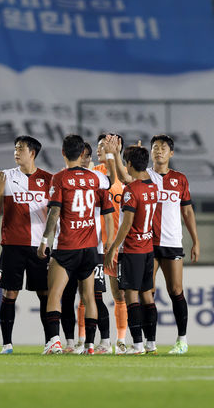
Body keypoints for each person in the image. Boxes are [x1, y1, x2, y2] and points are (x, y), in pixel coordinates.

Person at [105, 134, 200, 355]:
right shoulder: (148, 177)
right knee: (147, 293)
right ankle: (148, 342)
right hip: (148, 243)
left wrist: (195, 240)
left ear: (171, 153)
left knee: (175, 290)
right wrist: (120, 156)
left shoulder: (180, 179)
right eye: (155, 147)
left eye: (163, 147)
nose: (159, 151)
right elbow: (125, 175)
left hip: (172, 241)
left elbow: (187, 211)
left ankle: (181, 339)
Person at [37, 134, 110, 355]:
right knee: (89, 297)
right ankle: (89, 344)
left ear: (62, 152)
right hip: (90, 248)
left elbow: (55, 211)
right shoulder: (96, 178)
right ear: (82, 154)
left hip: (67, 246)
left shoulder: (59, 178)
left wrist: (44, 240)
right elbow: (112, 181)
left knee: (55, 295)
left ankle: (54, 342)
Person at [0, 136, 52, 354]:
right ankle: (7, 344)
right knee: (9, 294)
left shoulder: (49, 180)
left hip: (39, 247)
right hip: (12, 245)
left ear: (32, 153)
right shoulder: (3, 177)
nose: (16, 152)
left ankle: (50, 343)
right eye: (15, 148)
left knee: (45, 294)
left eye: (21, 149)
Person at [104, 146, 159, 354]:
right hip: (148, 249)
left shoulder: (131, 191)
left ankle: (136, 344)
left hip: (133, 250)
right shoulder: (152, 187)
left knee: (131, 296)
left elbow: (126, 225)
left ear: (128, 164)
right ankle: (151, 343)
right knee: (147, 296)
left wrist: (112, 249)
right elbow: (130, 177)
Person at [60, 142, 115, 354]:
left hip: (94, 247)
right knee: (68, 295)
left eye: (87, 156)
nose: (83, 159)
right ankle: (71, 343)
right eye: (81, 155)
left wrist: (108, 242)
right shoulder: (64, 180)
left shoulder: (97, 183)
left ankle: (105, 341)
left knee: (95, 296)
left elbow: (109, 214)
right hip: (69, 246)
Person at [93, 133, 128, 354]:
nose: (100, 149)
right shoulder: (94, 173)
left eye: (104, 145)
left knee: (119, 295)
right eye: (98, 145)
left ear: (118, 147)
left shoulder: (126, 176)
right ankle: (88, 340)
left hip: (120, 244)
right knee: (92, 294)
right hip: (96, 243)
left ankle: (121, 340)